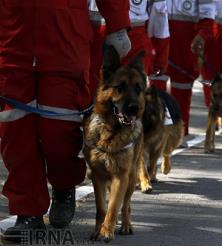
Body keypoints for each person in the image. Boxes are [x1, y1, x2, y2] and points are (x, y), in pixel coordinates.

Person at [0, 0, 131, 243]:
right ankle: (28, 212)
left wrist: (118, 25)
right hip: (12, 43)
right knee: (16, 135)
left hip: (65, 42)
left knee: (59, 132)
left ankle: (64, 185)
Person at [89, 0, 170, 95]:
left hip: (97, 34)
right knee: (132, 94)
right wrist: (161, 58)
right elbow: (160, 16)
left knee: (95, 91)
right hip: (135, 38)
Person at [166, 0, 218, 136]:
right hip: (157, 38)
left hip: (185, 42)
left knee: (181, 89)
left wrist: (202, 36)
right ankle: (153, 135)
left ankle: (179, 133)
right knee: (155, 89)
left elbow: (208, 17)